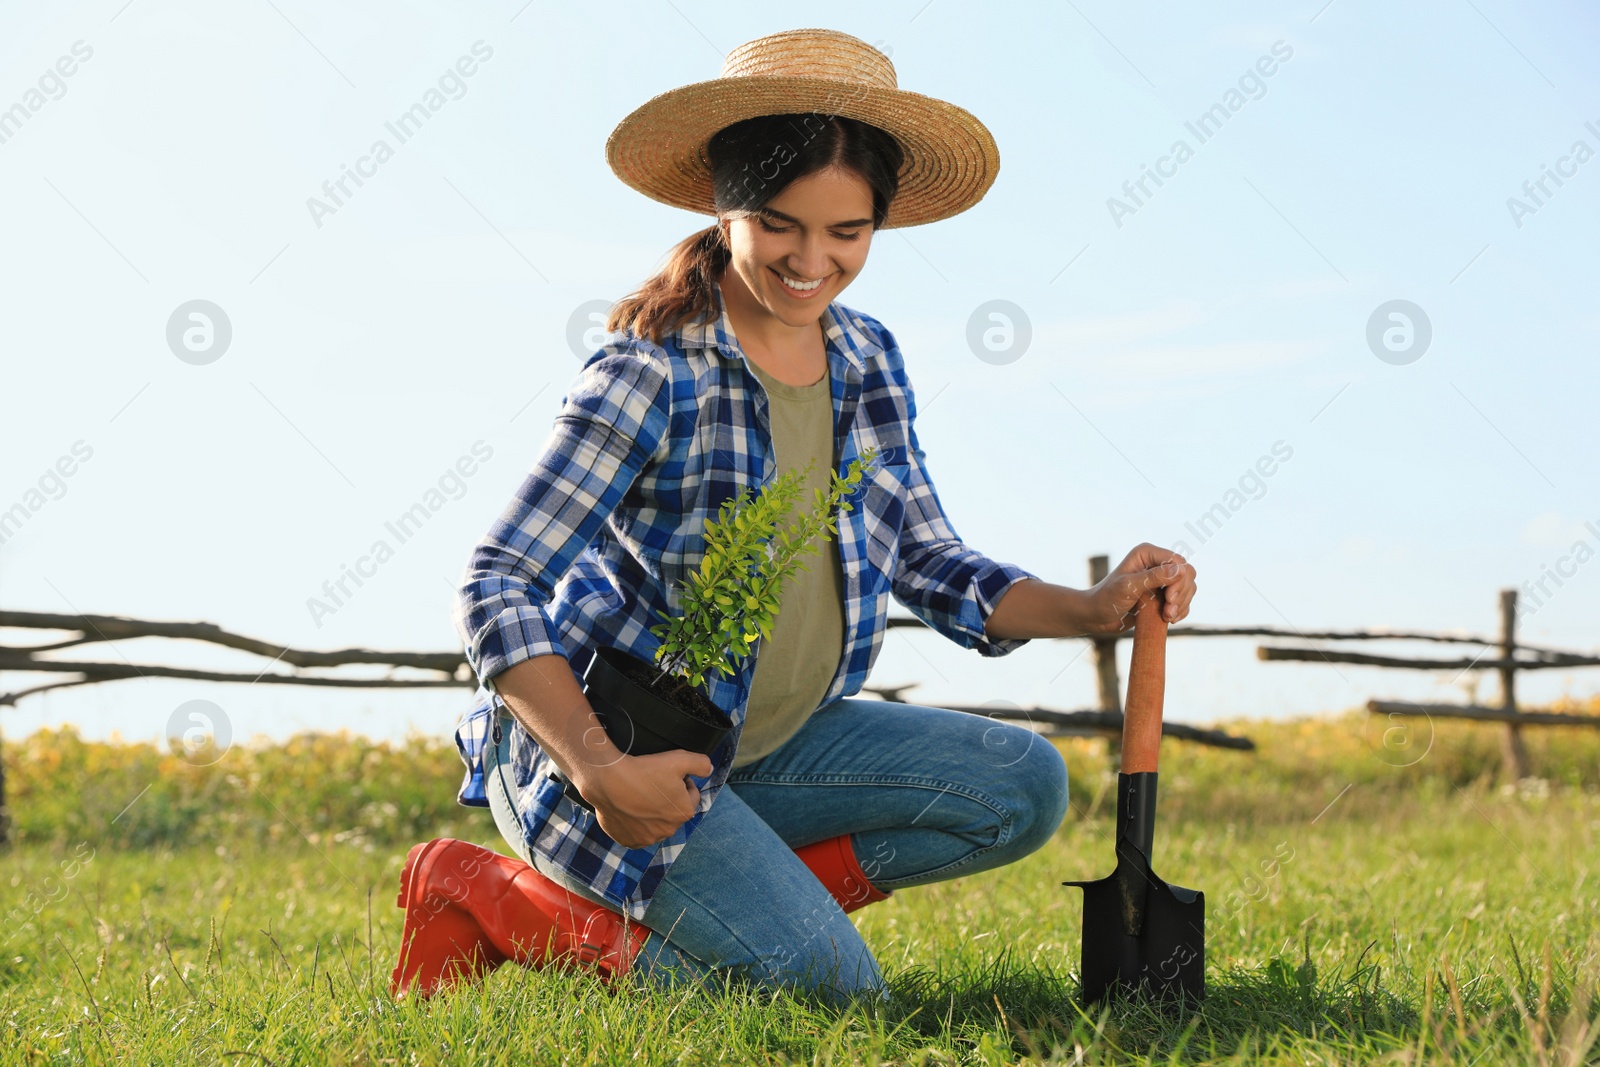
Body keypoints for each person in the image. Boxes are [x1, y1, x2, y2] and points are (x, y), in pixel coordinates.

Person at [390, 26, 1198, 1006]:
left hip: (773, 745)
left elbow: (927, 556)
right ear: (722, 208)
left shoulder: (865, 356)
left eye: (845, 233)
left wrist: (1094, 605)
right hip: (621, 756)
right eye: (779, 224)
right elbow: (496, 583)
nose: (812, 259)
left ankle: (753, 913)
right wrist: (599, 766)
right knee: (830, 991)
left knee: (1022, 784)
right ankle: (486, 892)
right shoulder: (652, 372)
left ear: (876, 226)